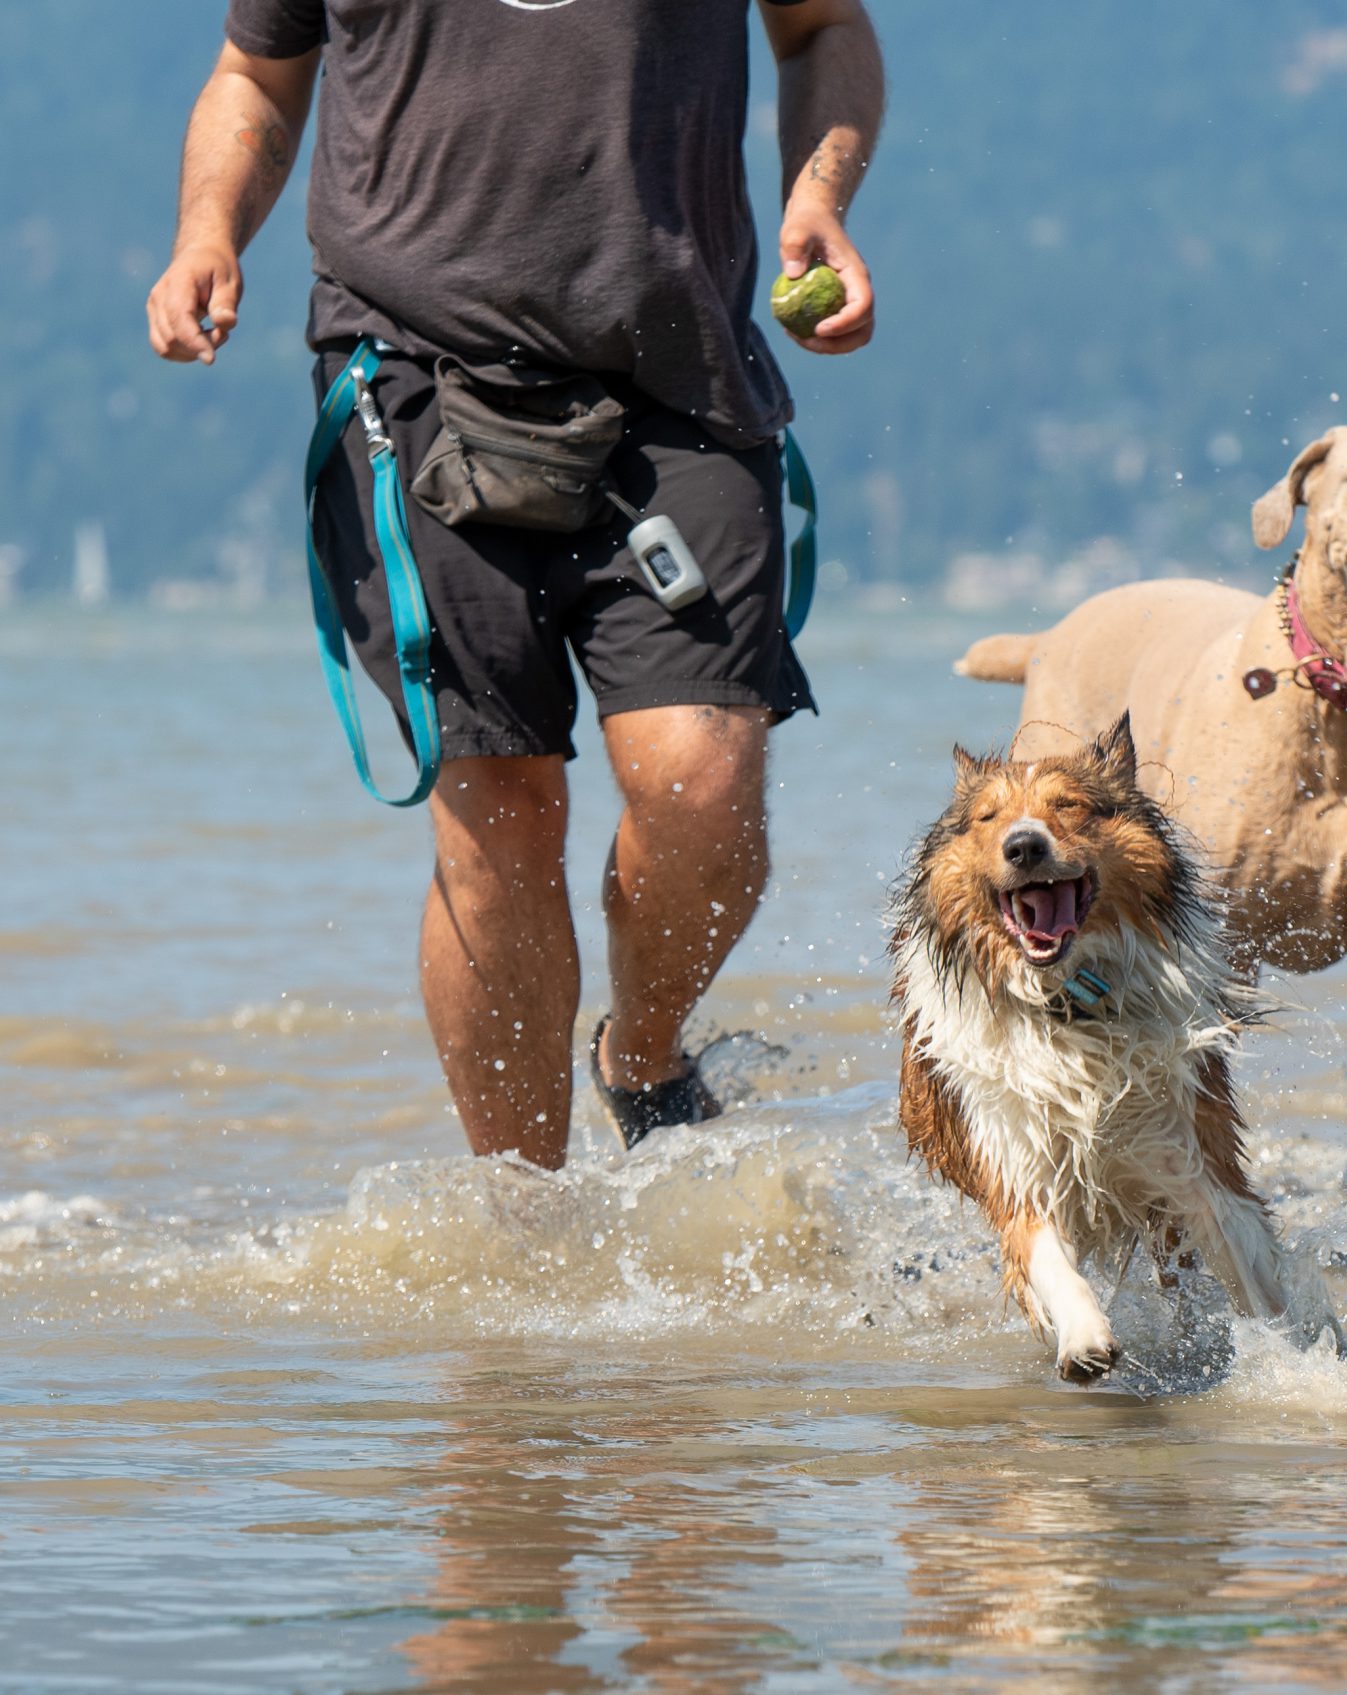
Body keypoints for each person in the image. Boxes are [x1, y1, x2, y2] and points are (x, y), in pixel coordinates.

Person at [146, 0, 883, 1169]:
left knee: (701, 777)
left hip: (674, 377)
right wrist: (206, 232)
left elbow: (821, 28)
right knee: (498, 813)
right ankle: (529, 1227)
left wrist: (818, 199)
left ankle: (640, 1054)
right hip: (411, 380)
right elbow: (258, 76)